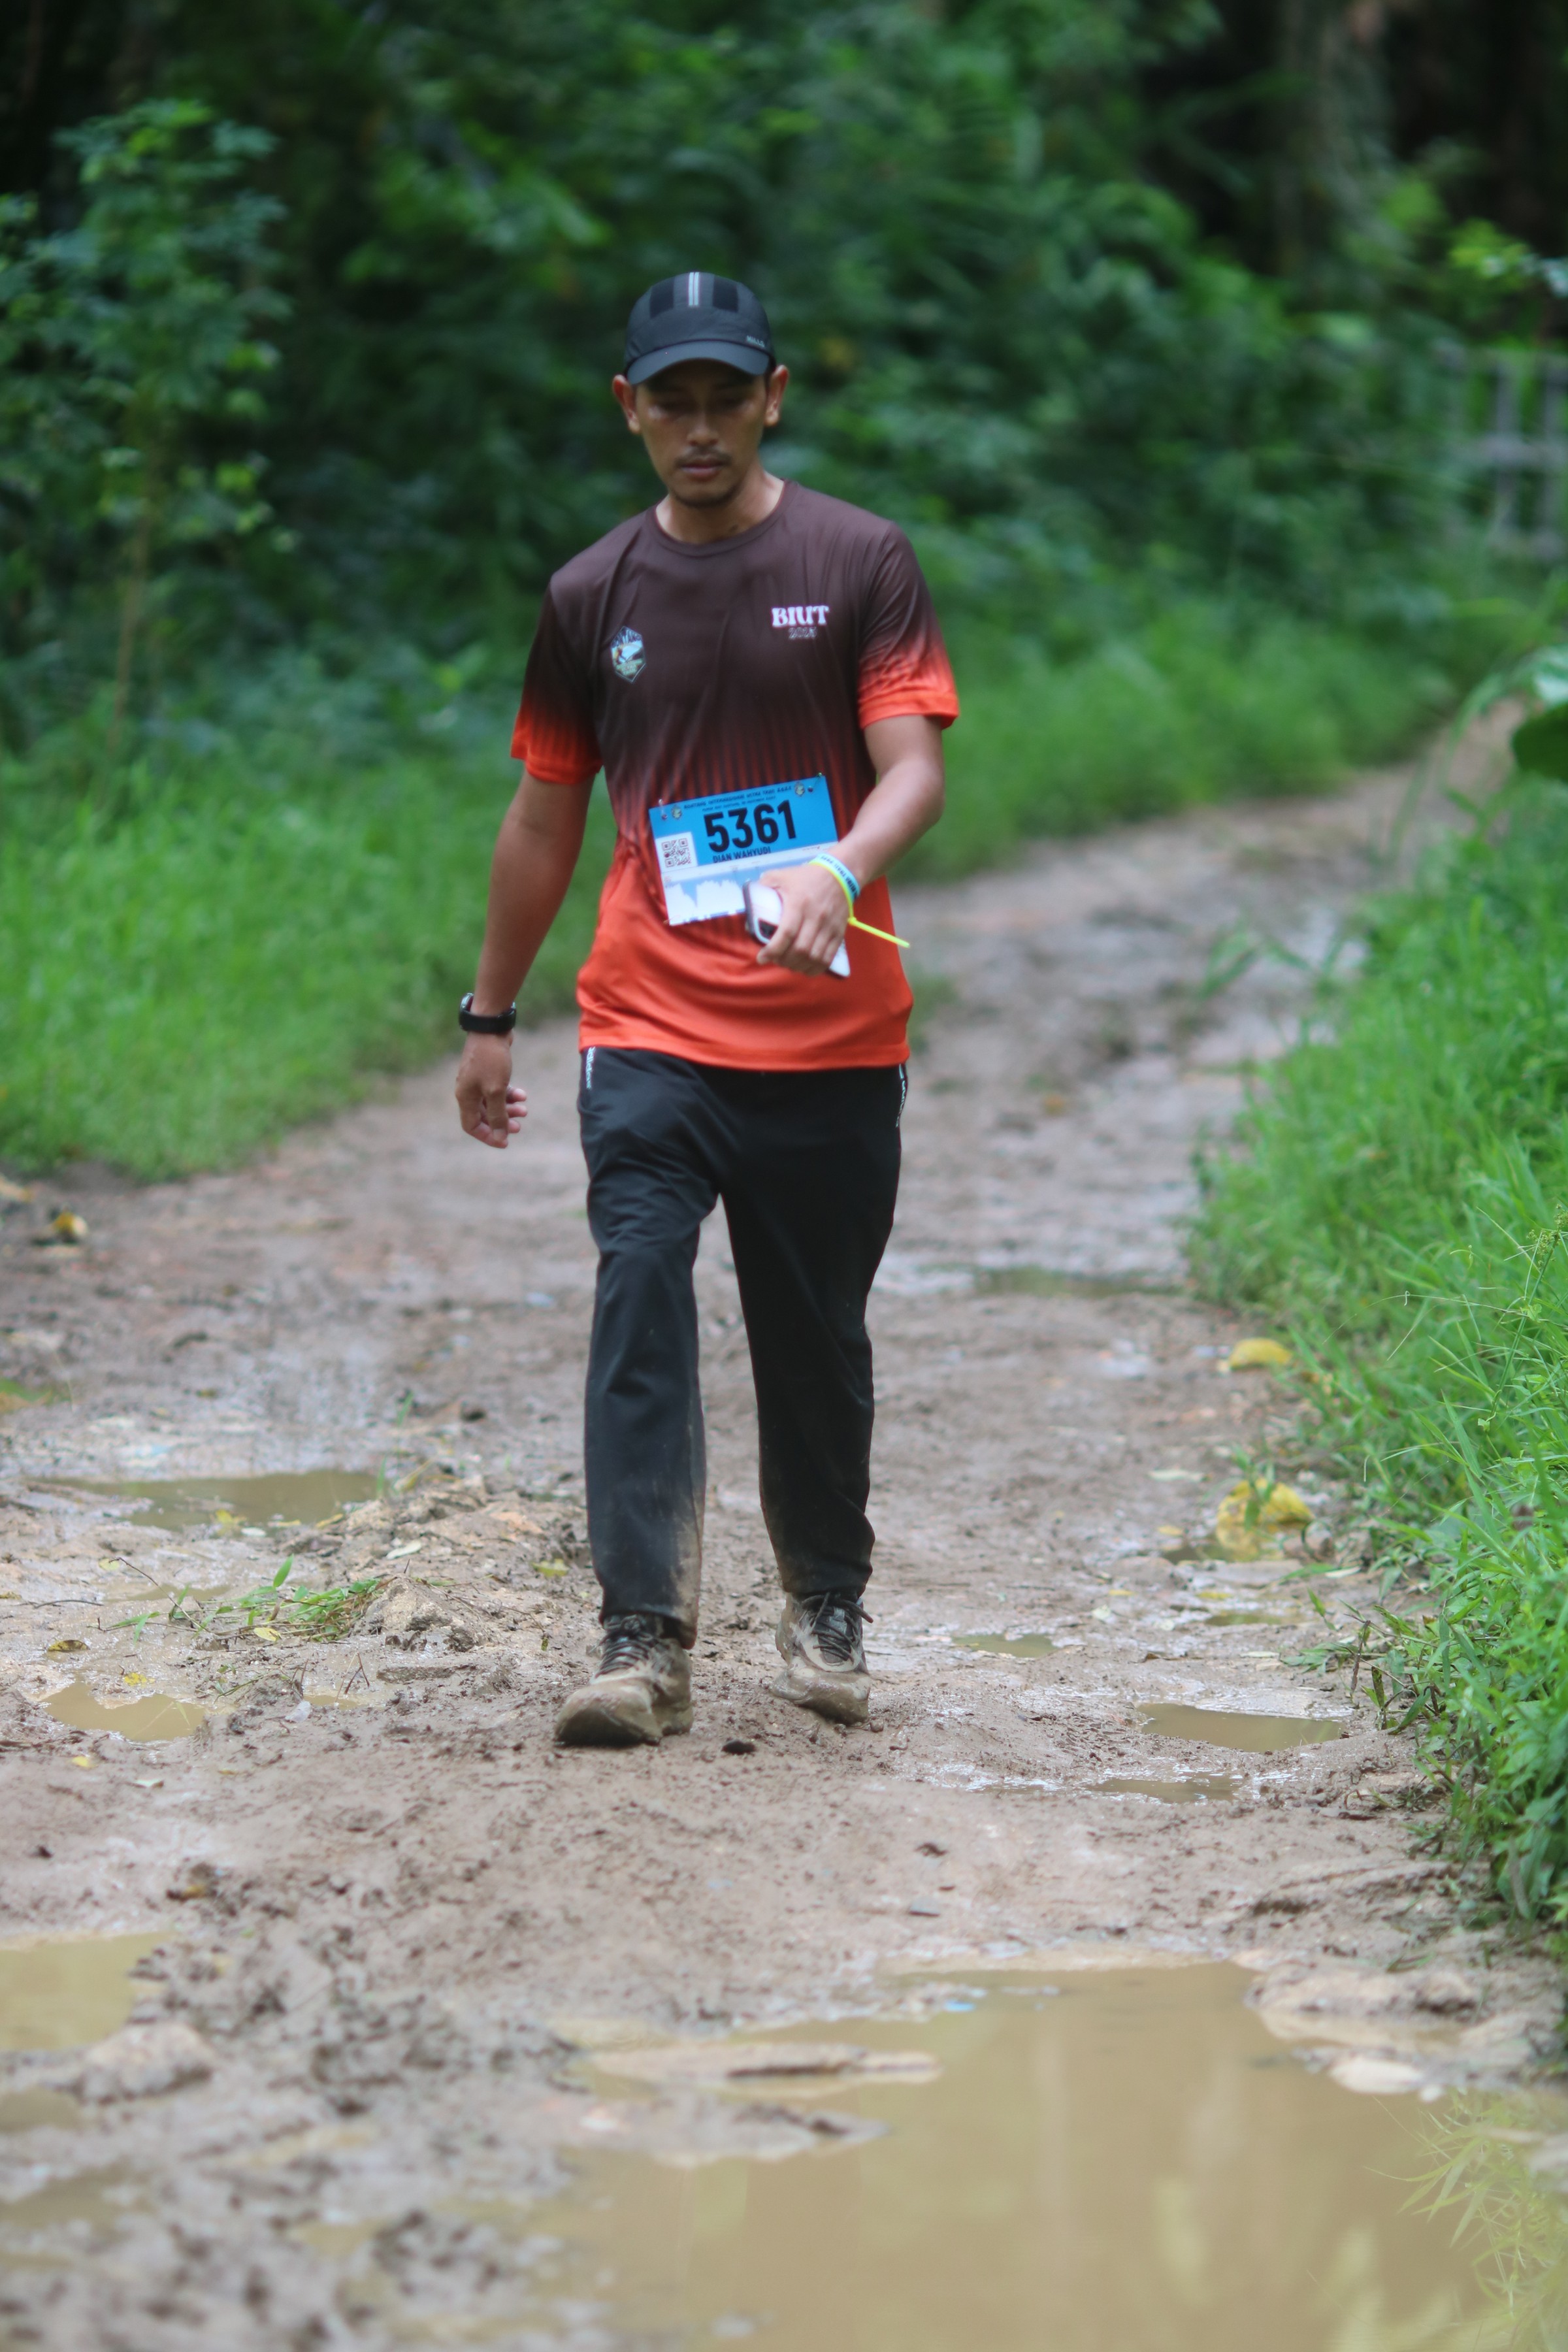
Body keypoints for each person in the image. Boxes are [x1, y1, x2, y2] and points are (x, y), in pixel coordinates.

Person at [455, 272, 958, 1747]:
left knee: (815, 1333)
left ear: (772, 399)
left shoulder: (860, 560)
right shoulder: (589, 596)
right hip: (649, 1027)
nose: (699, 428)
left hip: (830, 1037)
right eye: (670, 401)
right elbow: (543, 816)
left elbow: (915, 771)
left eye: (725, 399)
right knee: (638, 1295)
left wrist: (839, 867)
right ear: (629, 409)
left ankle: (826, 1605)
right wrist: (489, 1014)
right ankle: (640, 1640)